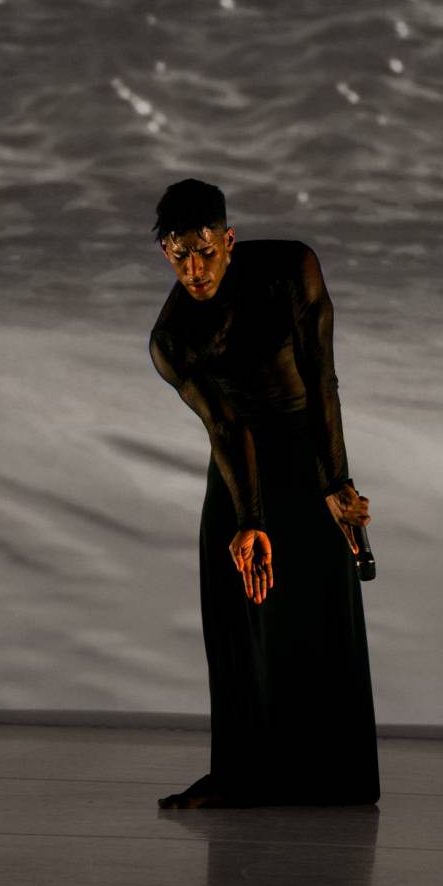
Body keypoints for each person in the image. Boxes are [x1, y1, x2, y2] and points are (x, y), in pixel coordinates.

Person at [148, 178, 380, 809]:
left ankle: (338, 779)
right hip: (238, 459)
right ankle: (238, 775)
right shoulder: (171, 339)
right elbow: (225, 426)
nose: (195, 271)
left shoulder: (290, 269)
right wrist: (249, 519)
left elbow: (321, 376)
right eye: (180, 257)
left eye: (206, 252)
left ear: (229, 240)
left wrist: (335, 481)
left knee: (322, 613)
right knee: (237, 619)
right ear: (166, 253)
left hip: (306, 446)